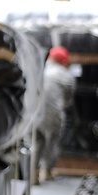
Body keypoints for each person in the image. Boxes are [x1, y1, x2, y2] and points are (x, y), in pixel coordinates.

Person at [35, 45, 76, 182]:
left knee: (36, 142)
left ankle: (32, 175)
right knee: (52, 141)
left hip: (34, 112)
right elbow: (67, 99)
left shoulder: (40, 71)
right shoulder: (66, 75)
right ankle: (47, 172)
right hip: (52, 113)